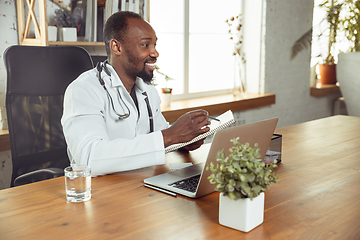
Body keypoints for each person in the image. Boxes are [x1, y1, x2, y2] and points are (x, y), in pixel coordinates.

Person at [61, 11, 211, 177]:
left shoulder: (148, 91)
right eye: (145, 45)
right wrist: (169, 137)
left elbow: (159, 134)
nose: (155, 53)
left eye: (154, 45)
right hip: (100, 193)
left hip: (142, 185)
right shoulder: (84, 89)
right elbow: (89, 158)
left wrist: (183, 140)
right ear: (116, 47)